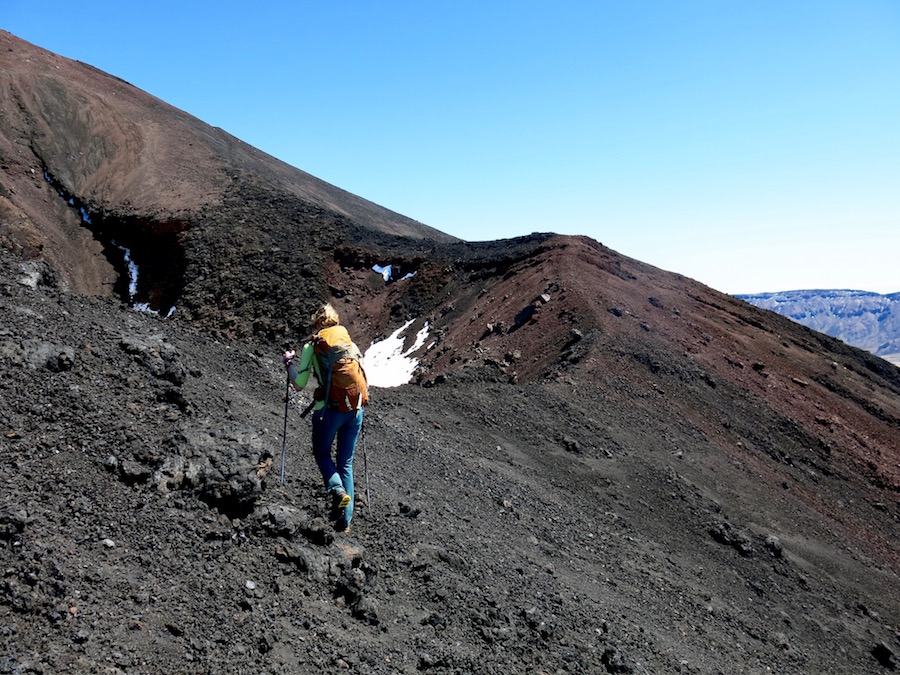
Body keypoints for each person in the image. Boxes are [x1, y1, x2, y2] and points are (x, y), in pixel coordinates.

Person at [283, 303, 368, 533]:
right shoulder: (349, 343)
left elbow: (299, 385)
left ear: (318, 323)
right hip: (355, 410)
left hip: (328, 410)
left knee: (322, 453)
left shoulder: (313, 345)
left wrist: (289, 364)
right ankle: (345, 523)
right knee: (346, 462)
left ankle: (337, 490)